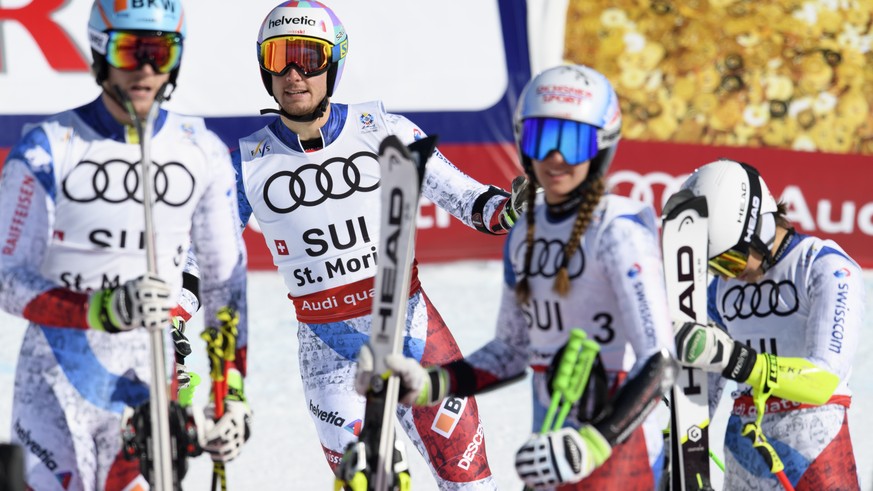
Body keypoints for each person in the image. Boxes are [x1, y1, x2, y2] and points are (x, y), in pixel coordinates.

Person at [230, 1, 525, 488]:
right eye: (279, 56)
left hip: (415, 334)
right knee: (369, 482)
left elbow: (467, 199)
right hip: (329, 352)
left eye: (309, 56)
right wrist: (175, 315)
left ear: (334, 63)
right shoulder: (247, 164)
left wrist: (509, 209)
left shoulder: (384, 129)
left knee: (470, 483)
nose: (293, 73)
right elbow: (204, 255)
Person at [358, 63, 679, 490]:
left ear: (601, 146)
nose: (555, 157)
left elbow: (659, 363)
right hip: (548, 455)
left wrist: (593, 444)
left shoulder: (618, 231)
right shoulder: (526, 233)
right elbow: (510, 353)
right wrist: (432, 382)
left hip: (620, 455)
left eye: (573, 142)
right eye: (541, 138)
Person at [0, 1, 249, 489]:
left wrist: (229, 397)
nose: (147, 68)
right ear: (99, 51)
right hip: (51, 385)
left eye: (161, 50)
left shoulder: (201, 152)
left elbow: (225, 287)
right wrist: (101, 308)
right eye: (129, 50)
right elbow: (7, 280)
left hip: (149, 384)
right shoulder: (46, 149)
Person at [670, 159, 863, 490]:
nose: (730, 275)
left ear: (759, 228)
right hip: (743, 448)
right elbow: (702, 393)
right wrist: (683, 459)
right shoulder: (721, 290)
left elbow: (826, 380)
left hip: (813, 446)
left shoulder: (824, 267)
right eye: (716, 266)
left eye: (731, 259)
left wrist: (739, 361)